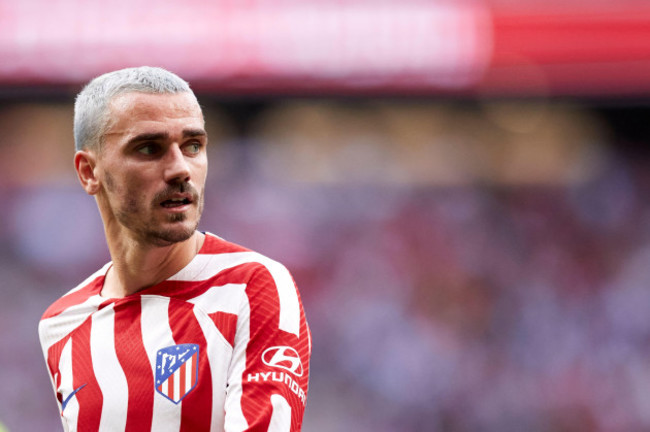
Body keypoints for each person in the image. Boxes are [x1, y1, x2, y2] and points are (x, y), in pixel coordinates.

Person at [38, 66, 311, 431]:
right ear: (89, 172)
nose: (181, 168)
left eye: (193, 146)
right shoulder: (61, 324)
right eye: (149, 148)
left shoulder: (252, 287)